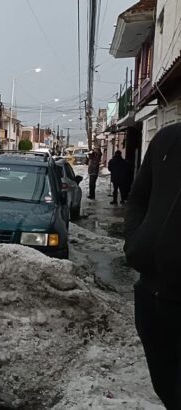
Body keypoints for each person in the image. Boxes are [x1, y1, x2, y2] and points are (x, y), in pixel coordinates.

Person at [124, 122, 181, 409]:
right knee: (166, 388)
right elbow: (138, 198)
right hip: (151, 295)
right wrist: (137, 241)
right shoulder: (168, 139)